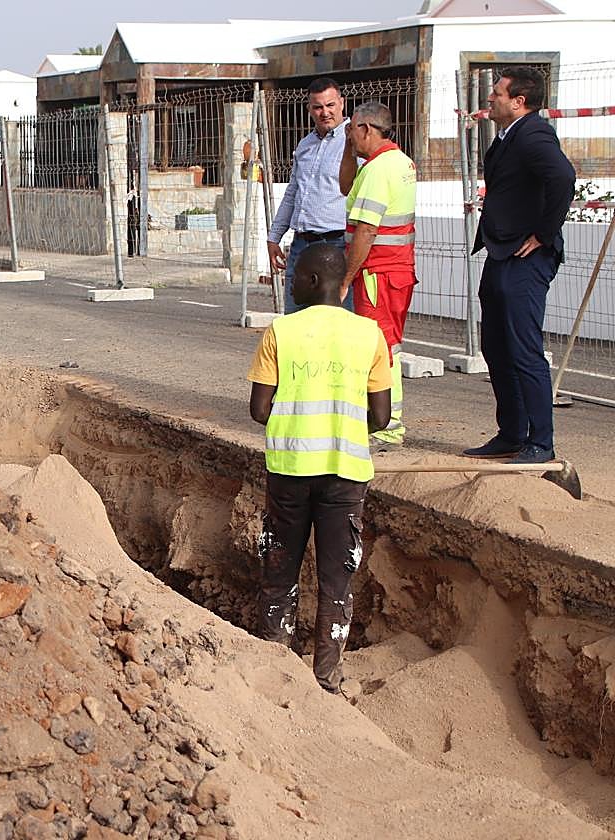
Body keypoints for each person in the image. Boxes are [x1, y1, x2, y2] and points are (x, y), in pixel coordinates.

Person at [247, 243, 392, 694]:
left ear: (312, 281)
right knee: (336, 580)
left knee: (279, 570)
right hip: (345, 475)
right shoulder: (369, 334)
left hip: (289, 471)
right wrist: (342, 428)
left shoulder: (281, 331)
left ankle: (275, 666)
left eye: (294, 276)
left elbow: (259, 409)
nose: (289, 283)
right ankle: (326, 679)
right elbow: (381, 417)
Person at [464, 66, 575, 464]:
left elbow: (563, 177)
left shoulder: (533, 133)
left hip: (527, 257)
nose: (490, 99)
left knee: (524, 349)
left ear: (519, 101)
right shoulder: (509, 135)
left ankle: (540, 442)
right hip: (502, 252)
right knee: (495, 345)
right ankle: (511, 433)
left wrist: (544, 234)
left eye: (497, 93)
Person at [339, 101, 416, 446]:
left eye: (352, 130)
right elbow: (345, 185)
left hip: (377, 272)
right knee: (388, 345)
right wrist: (348, 147)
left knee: (379, 348)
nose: (350, 136)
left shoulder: (377, 170)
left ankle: (387, 425)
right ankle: (384, 419)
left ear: (366, 129)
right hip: (396, 270)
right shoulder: (399, 162)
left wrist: (345, 279)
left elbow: (366, 230)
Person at [267, 77, 354, 314]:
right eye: (318, 107)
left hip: (337, 244)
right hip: (301, 244)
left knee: (337, 320)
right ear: (309, 109)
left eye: (330, 105)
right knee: (295, 317)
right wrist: (274, 237)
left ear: (342, 103)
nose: (325, 112)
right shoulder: (305, 144)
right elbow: (292, 193)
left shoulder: (354, 142)